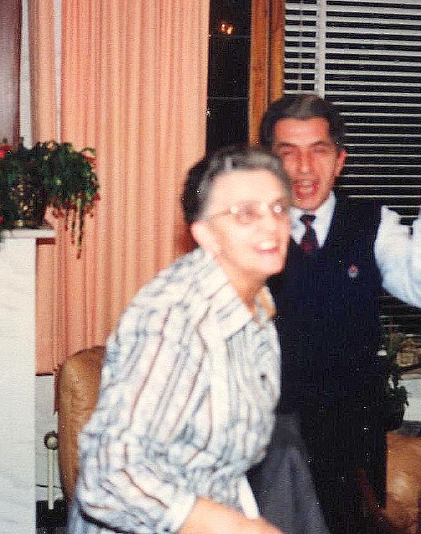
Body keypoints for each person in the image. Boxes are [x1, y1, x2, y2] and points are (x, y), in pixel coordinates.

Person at [258, 93, 421, 534]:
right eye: (288, 153)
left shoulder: (374, 223)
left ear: (339, 161)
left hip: (350, 430)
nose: (304, 168)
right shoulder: (250, 229)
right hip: (269, 428)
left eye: (318, 151)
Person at [69, 145, 292, 534]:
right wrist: (239, 528)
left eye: (278, 209)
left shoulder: (257, 305)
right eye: (246, 213)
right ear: (205, 234)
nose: (271, 226)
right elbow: (107, 478)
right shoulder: (174, 319)